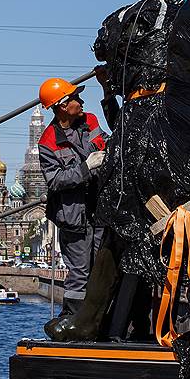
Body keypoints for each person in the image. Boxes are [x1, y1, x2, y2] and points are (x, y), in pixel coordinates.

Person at [37, 76, 116, 317]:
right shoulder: (48, 142)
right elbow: (55, 180)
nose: (80, 101)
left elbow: (104, 144)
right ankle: (72, 318)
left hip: (100, 208)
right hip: (74, 217)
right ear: (62, 106)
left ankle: (99, 320)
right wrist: (86, 167)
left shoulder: (89, 120)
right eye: (75, 98)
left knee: (101, 267)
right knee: (80, 272)